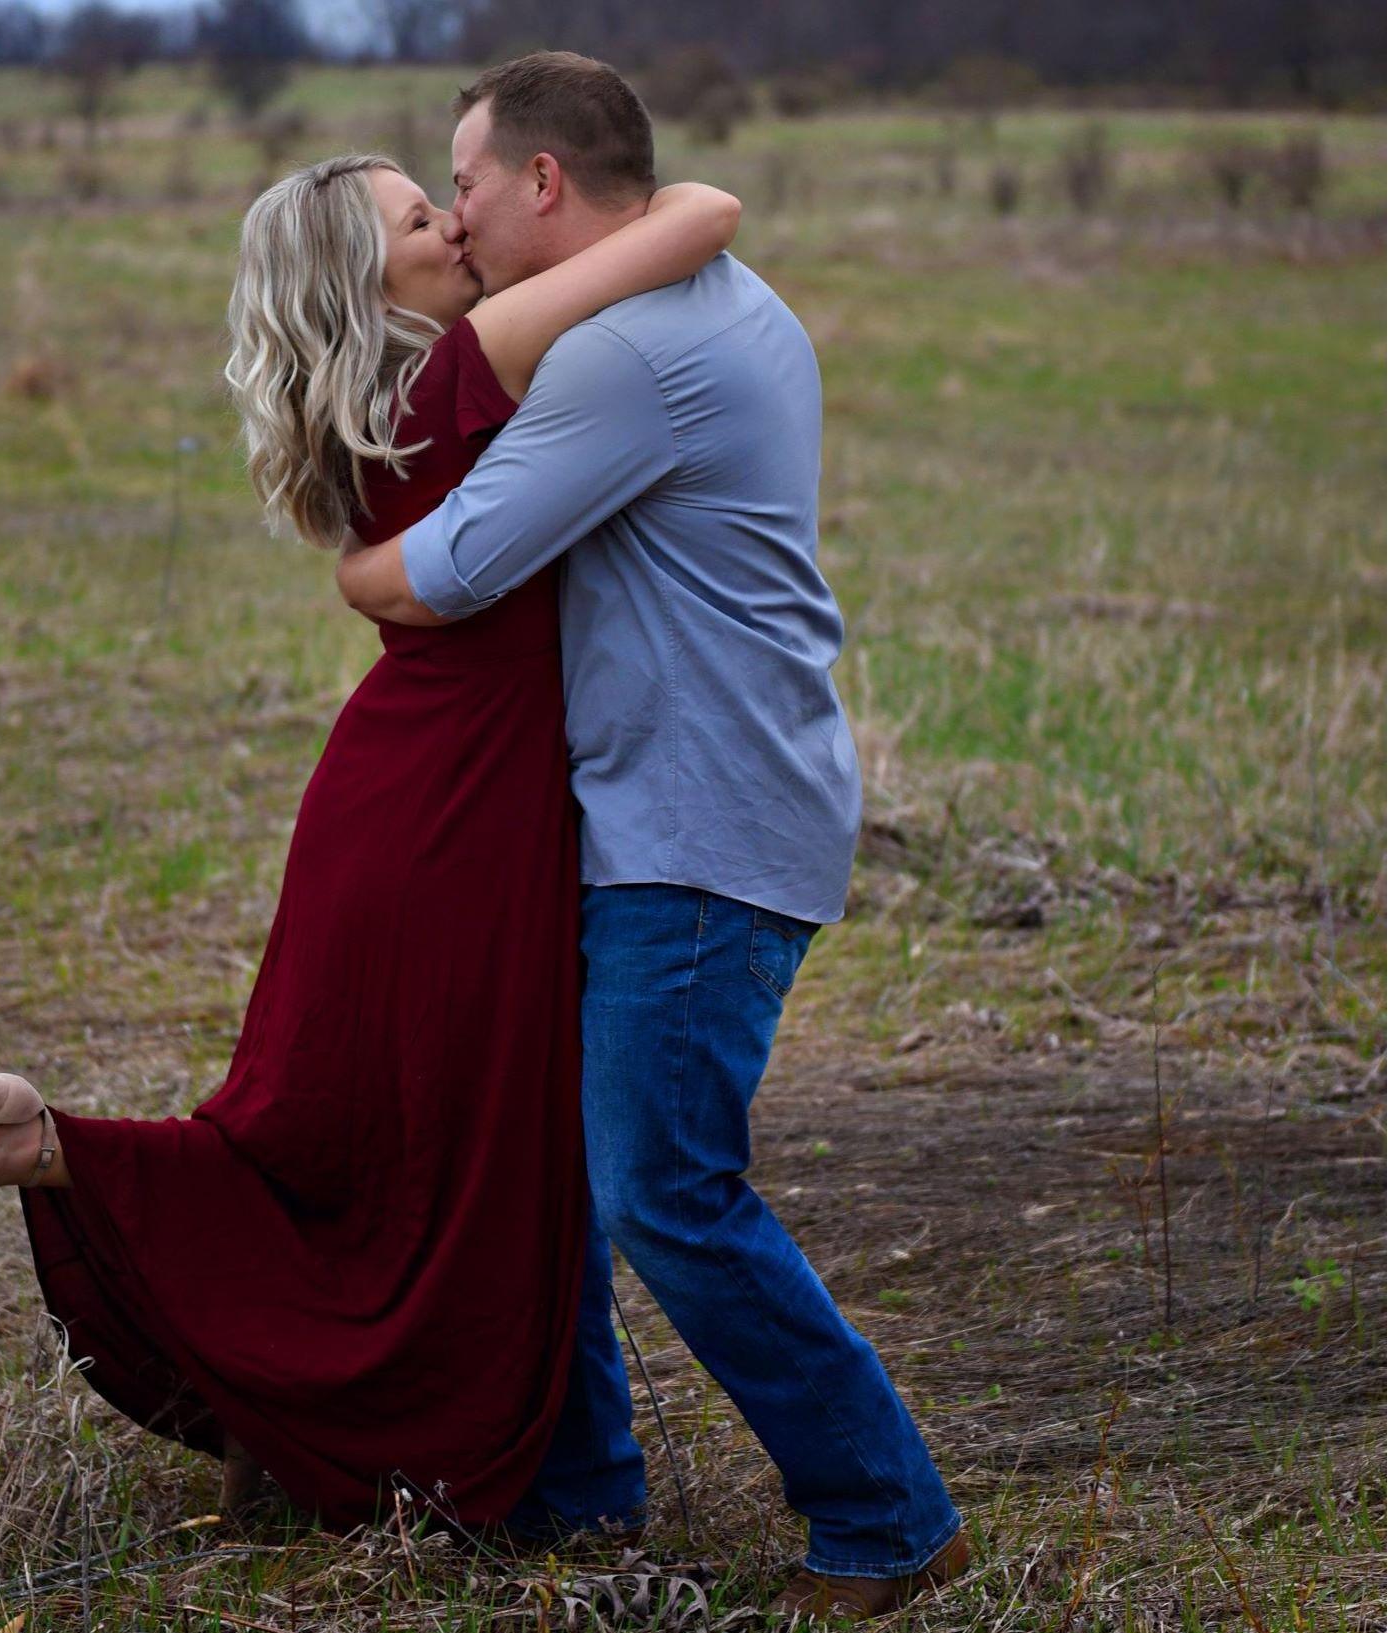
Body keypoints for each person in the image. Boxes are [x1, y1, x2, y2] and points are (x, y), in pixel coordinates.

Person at [0, 149, 741, 1534]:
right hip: (462, 814)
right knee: (473, 1153)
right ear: (361, 282)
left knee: (338, 1132)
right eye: (419, 217)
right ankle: (499, 1463)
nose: (455, 225)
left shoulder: (365, 410)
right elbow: (702, 215)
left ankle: (67, 1164)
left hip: (400, 800)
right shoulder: (458, 375)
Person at [334, 51, 972, 1621]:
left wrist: (347, 568)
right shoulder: (715, 290)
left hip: (699, 833)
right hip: (684, 804)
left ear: (543, 182)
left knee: (664, 1189)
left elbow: (445, 574)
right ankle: (576, 1483)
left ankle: (886, 1516)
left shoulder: (628, 356)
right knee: (570, 1160)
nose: (455, 218)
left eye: (465, 183)